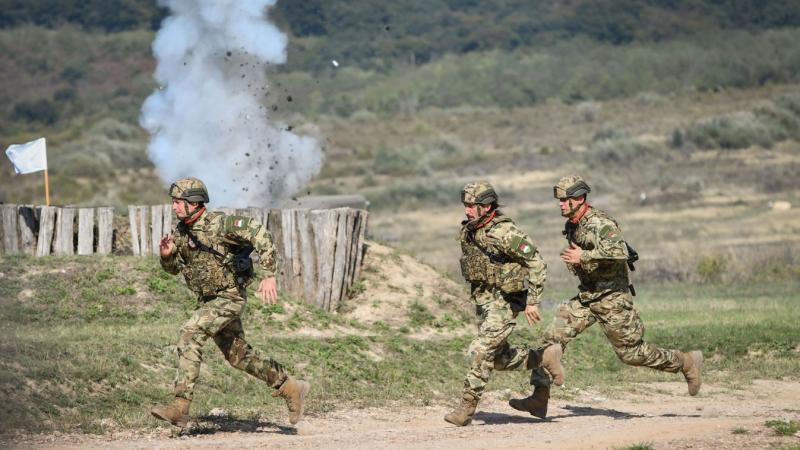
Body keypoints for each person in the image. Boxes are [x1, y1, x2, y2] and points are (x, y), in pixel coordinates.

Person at [509, 175, 702, 419]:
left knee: (631, 354)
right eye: (559, 200)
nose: (560, 204)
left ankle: (686, 362)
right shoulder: (574, 223)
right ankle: (539, 398)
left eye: (565, 200)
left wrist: (584, 257)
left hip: (612, 298)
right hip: (588, 296)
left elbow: (620, 251)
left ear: (579, 199)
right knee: (550, 341)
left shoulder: (601, 223)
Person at [150, 177, 310, 427]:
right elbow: (174, 270)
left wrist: (269, 274)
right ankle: (289, 386)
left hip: (230, 297)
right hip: (209, 301)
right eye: (173, 202)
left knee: (190, 334)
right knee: (238, 356)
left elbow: (260, 233)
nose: (174, 207)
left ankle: (180, 407)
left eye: (179, 202)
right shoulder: (181, 232)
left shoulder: (221, 224)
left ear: (194, 202)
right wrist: (166, 256)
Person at [445, 181, 548, 426]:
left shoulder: (505, 232)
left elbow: (537, 262)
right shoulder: (471, 229)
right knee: (498, 359)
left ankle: (466, 409)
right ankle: (542, 358)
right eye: (466, 205)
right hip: (485, 302)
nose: (467, 210)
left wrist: (533, 302)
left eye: (472, 205)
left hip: (504, 303)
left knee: (480, 351)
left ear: (487, 205)